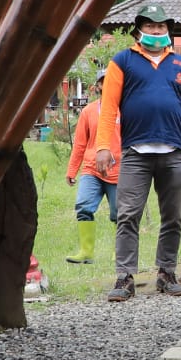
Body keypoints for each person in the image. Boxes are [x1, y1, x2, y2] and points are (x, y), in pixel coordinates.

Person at [96, 5, 181, 301]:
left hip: (172, 152)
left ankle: (166, 272)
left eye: (161, 26)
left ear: (168, 30)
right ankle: (124, 277)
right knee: (127, 215)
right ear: (139, 30)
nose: (157, 31)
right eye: (150, 26)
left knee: (172, 216)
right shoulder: (122, 61)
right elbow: (108, 108)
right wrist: (103, 146)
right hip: (135, 151)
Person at [65, 69, 119, 264]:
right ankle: (86, 253)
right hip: (91, 169)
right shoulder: (88, 111)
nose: (107, 85)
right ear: (98, 86)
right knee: (83, 207)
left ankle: (119, 253)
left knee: (119, 214)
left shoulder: (127, 110)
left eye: (112, 81)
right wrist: (72, 169)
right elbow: (80, 143)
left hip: (118, 171)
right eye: (103, 82)